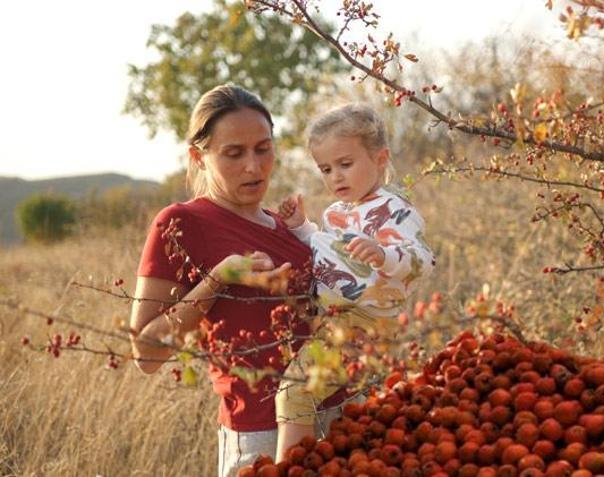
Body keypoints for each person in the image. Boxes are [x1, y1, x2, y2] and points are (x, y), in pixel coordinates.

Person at [129, 84, 314, 477]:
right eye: (233, 153)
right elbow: (145, 353)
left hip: (333, 417)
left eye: (263, 149)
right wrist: (217, 280)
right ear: (199, 156)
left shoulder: (286, 226)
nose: (254, 166)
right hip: (260, 436)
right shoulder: (182, 223)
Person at [273, 103, 435, 461]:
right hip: (335, 321)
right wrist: (302, 228)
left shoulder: (395, 209)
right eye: (326, 169)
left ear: (380, 158)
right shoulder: (337, 213)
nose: (335, 178)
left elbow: (423, 260)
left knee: (295, 391)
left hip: (369, 324)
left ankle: (287, 467)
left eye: (345, 164)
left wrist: (384, 253)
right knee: (360, 412)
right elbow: (333, 254)